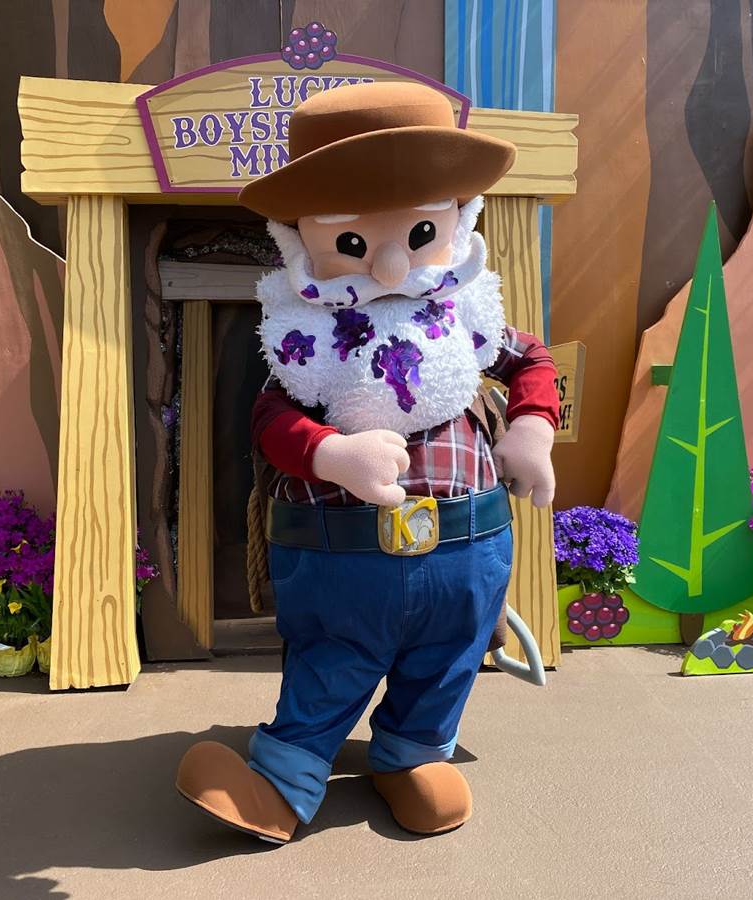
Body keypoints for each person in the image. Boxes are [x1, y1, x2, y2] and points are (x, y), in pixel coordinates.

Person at [175, 81, 560, 844]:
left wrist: (531, 431)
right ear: (303, 238)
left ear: (455, 218)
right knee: (332, 661)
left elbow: (530, 361)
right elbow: (270, 418)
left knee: (445, 663)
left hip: (467, 553)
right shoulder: (306, 334)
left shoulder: (466, 312)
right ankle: (286, 775)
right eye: (351, 242)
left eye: (419, 232)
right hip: (340, 558)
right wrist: (331, 452)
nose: (387, 267)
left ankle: (412, 753)